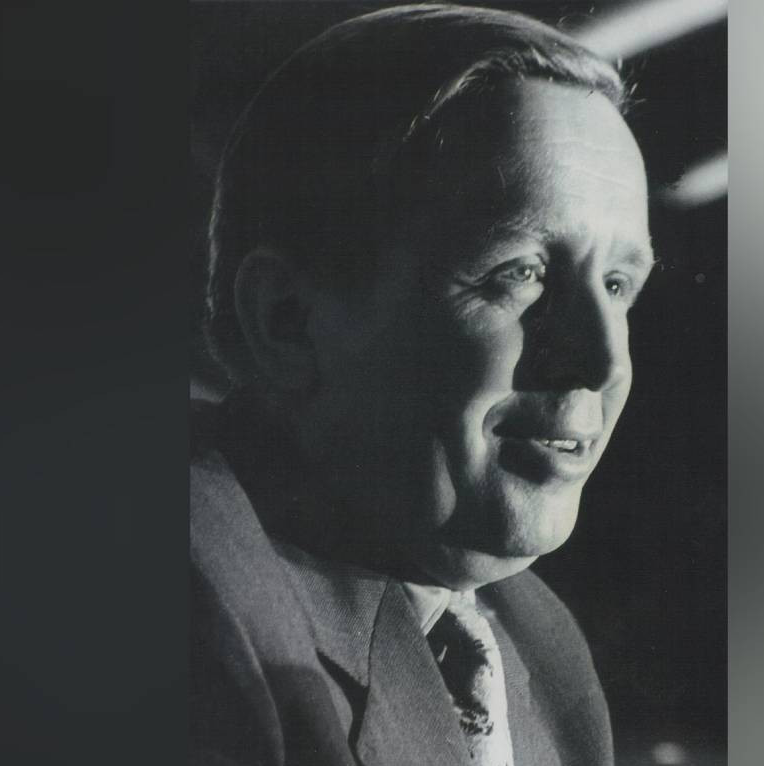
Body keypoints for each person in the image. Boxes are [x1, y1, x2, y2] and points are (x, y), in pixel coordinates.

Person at [191, 5, 654, 765]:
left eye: (616, 283)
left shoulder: (537, 642)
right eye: (521, 273)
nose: (602, 362)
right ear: (288, 322)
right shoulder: (194, 606)